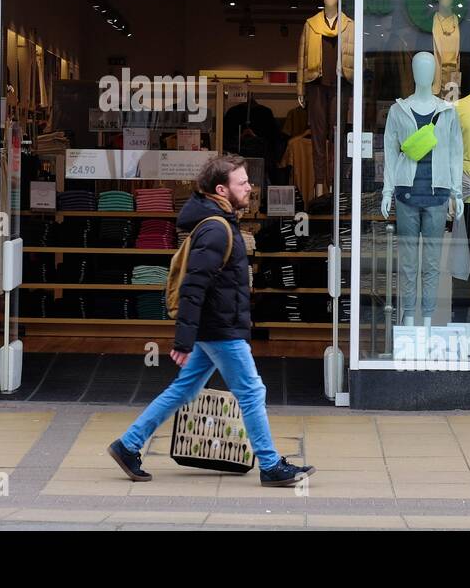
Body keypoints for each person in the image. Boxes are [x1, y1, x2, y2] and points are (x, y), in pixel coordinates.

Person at [108, 155, 315, 487]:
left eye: (248, 181)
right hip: (220, 328)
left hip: (215, 325)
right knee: (251, 391)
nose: (250, 187)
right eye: (242, 182)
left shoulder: (219, 221)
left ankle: (128, 444)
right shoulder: (216, 230)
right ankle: (271, 465)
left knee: (184, 389)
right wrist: (183, 340)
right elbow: (193, 286)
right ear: (222, 189)